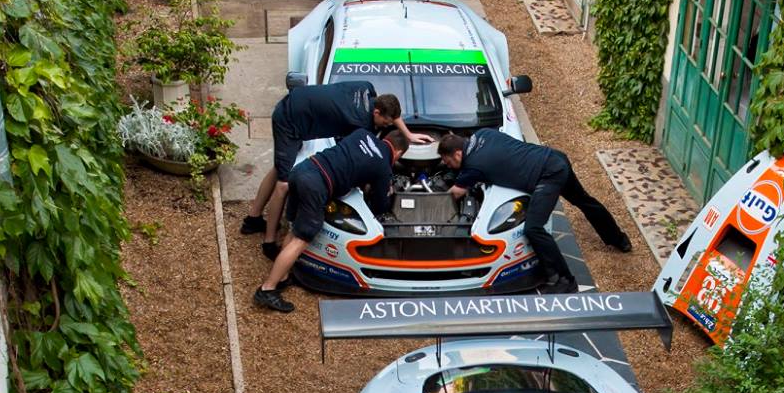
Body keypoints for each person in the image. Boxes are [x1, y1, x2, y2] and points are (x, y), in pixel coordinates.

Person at [435, 128, 631, 291]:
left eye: (449, 161)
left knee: (533, 228)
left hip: (548, 176)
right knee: (585, 201)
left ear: (458, 153)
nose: (448, 165)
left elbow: (455, 194)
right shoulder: (484, 134)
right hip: (555, 158)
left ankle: (565, 280)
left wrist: (432, 201)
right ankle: (619, 239)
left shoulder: (473, 166)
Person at [240, 84, 426, 253]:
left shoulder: (367, 89)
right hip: (290, 121)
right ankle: (269, 242)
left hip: (296, 105)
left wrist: (407, 134)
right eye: (385, 123)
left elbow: (391, 109)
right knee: (284, 183)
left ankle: (253, 218)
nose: (386, 126)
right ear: (376, 112)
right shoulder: (360, 123)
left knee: (279, 167)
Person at [253, 125, 409, 312]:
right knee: (301, 239)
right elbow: (379, 206)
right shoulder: (383, 165)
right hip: (315, 185)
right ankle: (267, 289)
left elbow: (349, 156)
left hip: (303, 169)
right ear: (398, 152)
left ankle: (283, 276)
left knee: (295, 228)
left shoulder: (363, 134)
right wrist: (387, 192)